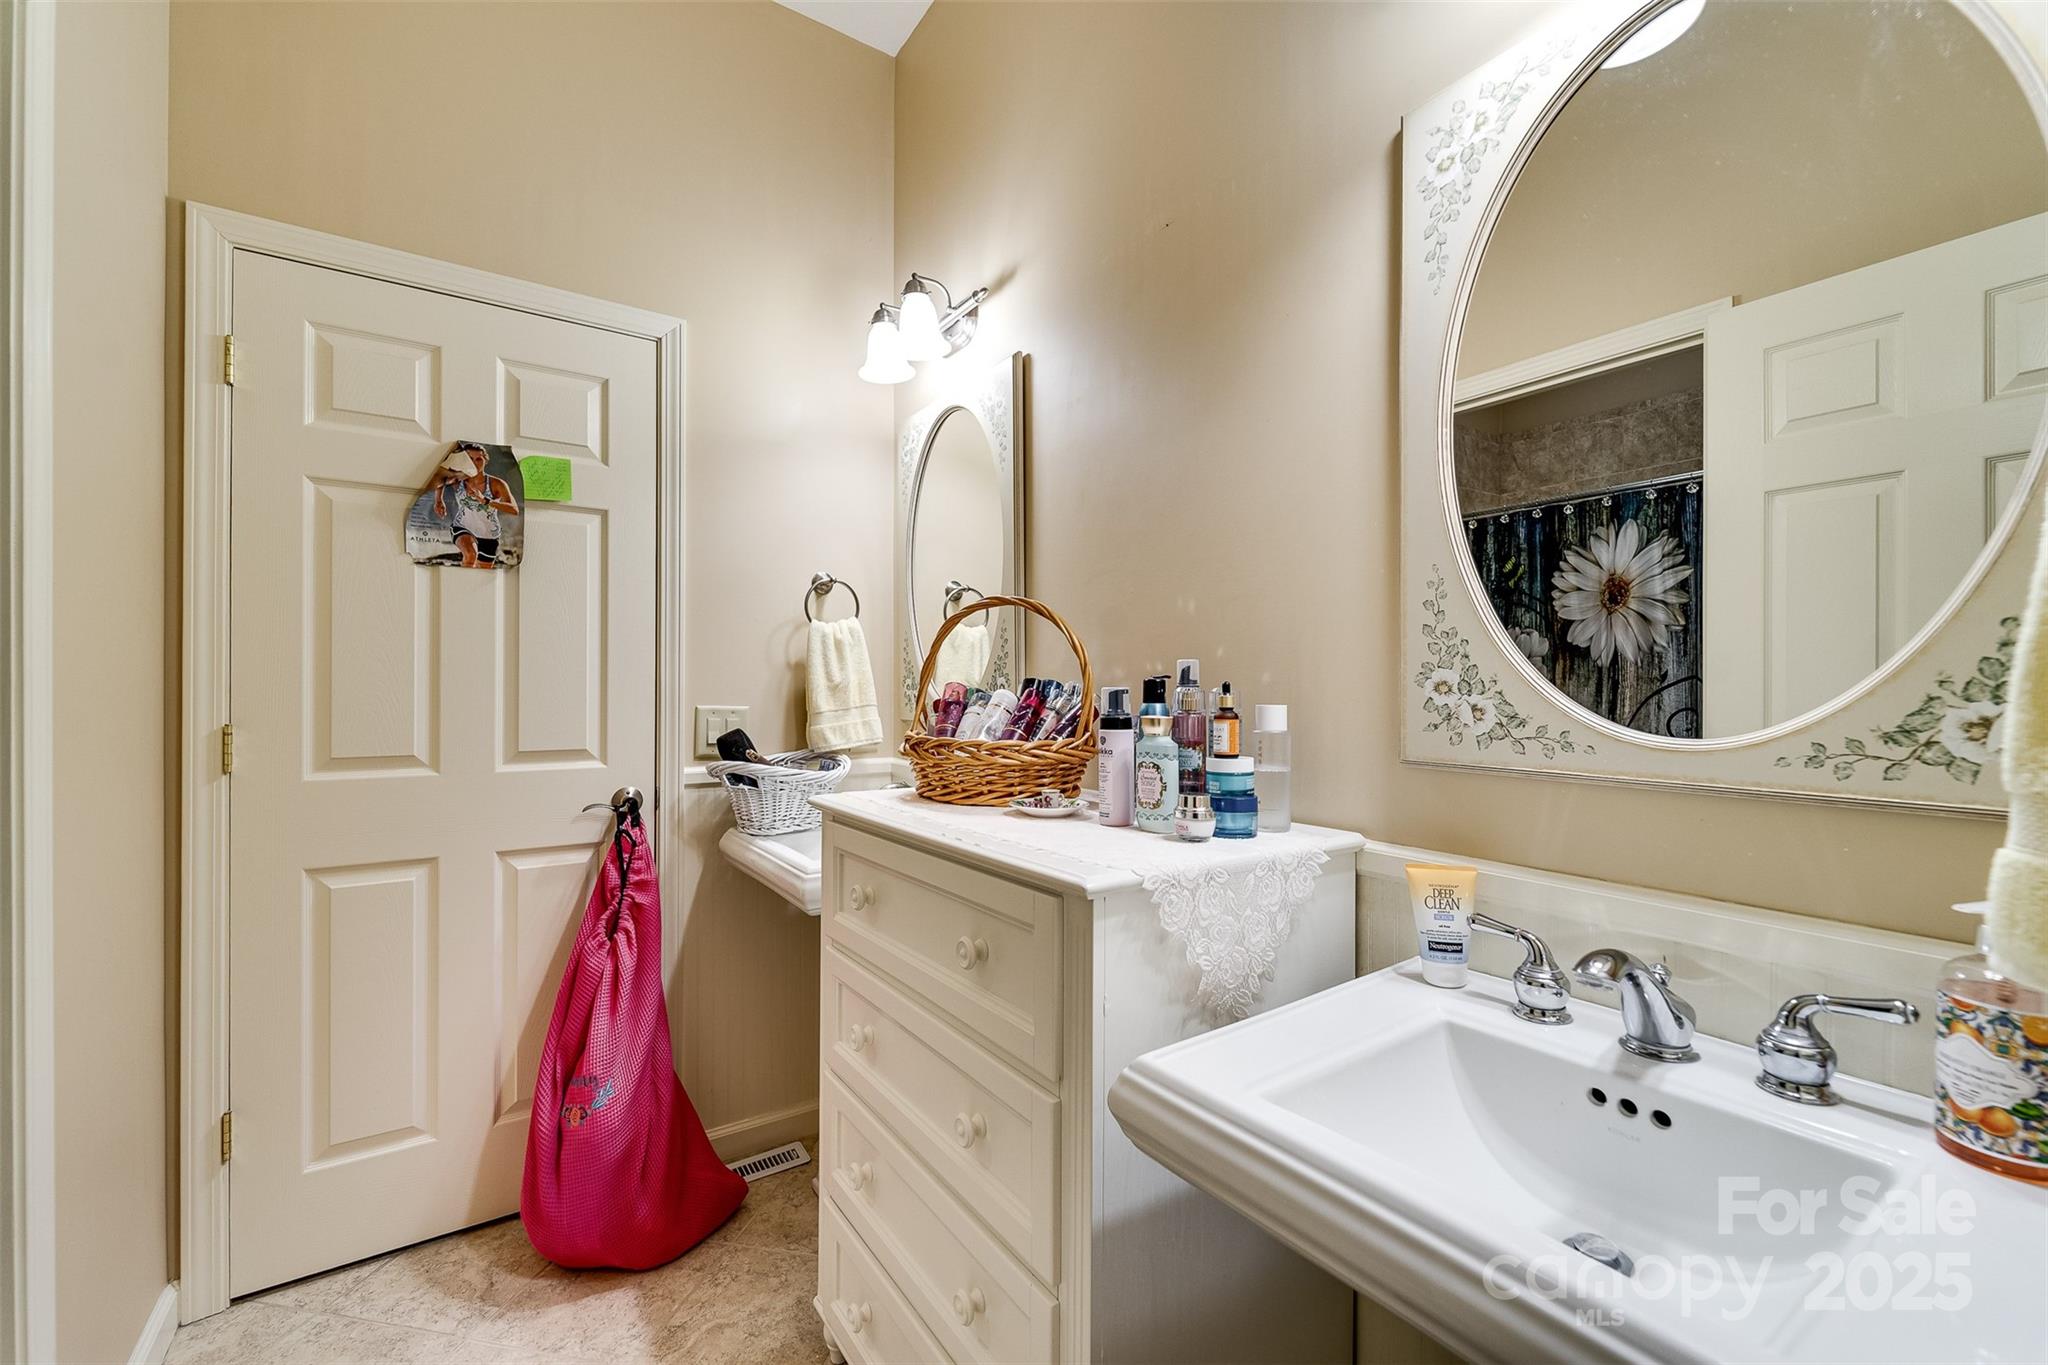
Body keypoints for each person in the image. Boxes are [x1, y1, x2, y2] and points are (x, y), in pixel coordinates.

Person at [432, 442, 519, 568]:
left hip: (489, 534)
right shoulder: (458, 480)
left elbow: (514, 510)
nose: (474, 463)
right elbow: (440, 478)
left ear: (485, 461)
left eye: (478, 459)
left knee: (483, 572)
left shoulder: (497, 484)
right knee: (470, 555)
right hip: (462, 526)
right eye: (470, 459)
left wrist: (486, 501)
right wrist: (438, 500)